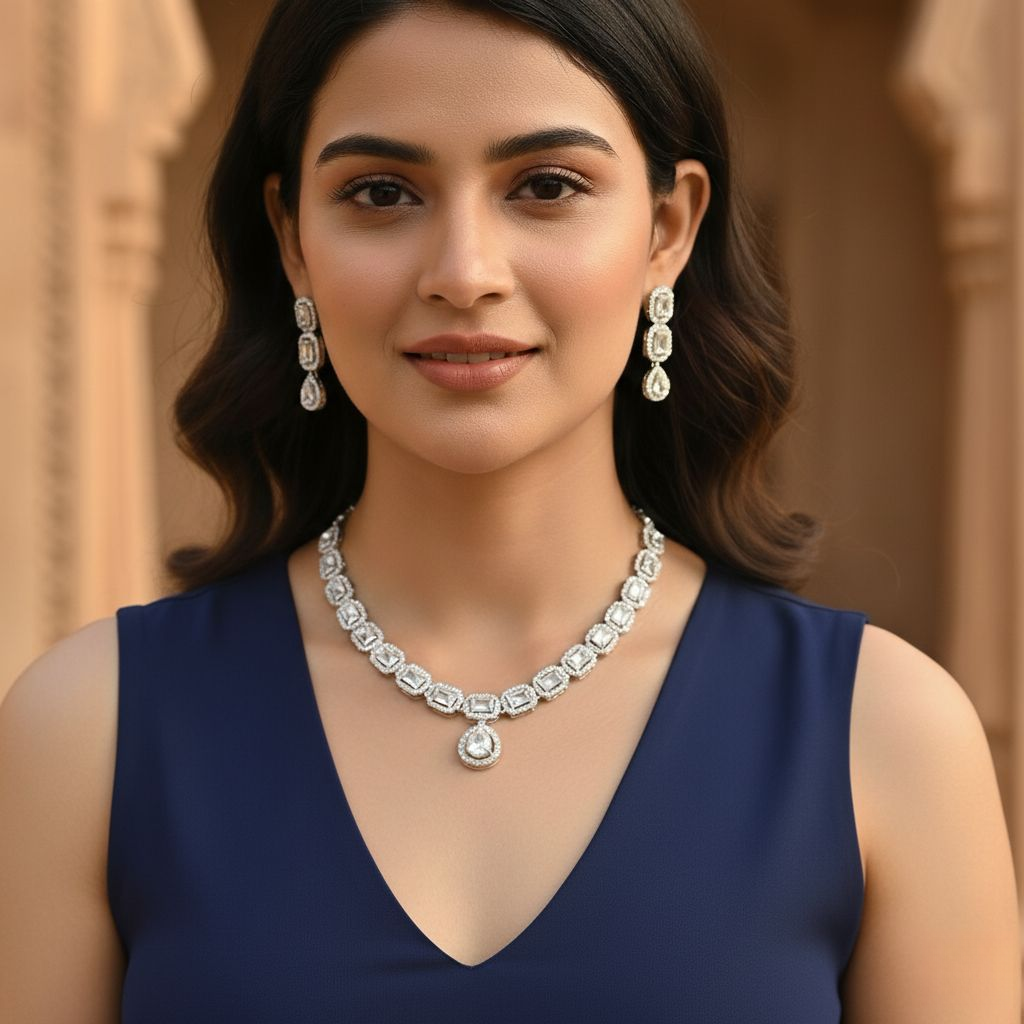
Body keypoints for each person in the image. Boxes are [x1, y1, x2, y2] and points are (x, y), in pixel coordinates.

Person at [1, 0, 1019, 1020]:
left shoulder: (882, 736)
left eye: (545, 186)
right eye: (381, 193)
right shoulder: (87, 730)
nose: (464, 274)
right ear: (293, 239)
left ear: (669, 226)